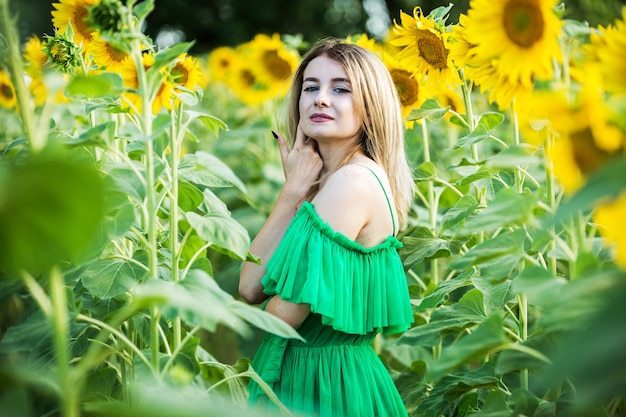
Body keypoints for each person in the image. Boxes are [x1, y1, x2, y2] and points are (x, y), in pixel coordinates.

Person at [238, 37, 415, 417]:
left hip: (327, 391)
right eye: (311, 87)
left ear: (371, 105)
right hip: (321, 380)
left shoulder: (350, 184)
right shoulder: (335, 181)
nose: (320, 99)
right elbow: (250, 287)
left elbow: (279, 317)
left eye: (341, 89)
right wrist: (293, 192)